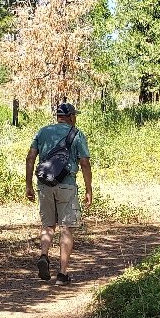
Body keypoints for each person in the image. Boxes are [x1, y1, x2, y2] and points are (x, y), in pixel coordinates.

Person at [26, 102, 93, 284]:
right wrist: (88, 189)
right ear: (71, 116)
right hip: (67, 185)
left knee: (48, 225)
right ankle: (62, 274)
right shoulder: (77, 134)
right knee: (66, 228)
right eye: (75, 115)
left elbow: (30, 157)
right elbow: (85, 163)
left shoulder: (42, 132)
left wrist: (28, 185)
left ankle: (44, 255)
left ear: (58, 116)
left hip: (44, 184)